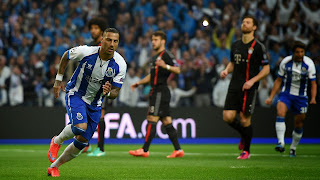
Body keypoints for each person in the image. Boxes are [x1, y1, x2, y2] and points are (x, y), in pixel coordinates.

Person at [47, 28, 127, 177]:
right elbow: (66, 56)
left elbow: (115, 93)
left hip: (95, 104)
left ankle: (54, 166)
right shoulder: (86, 51)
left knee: (81, 143)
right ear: (102, 40)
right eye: (108, 40)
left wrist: (108, 92)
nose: (111, 44)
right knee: (80, 127)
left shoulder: (120, 64)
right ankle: (57, 141)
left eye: (115, 41)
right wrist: (58, 80)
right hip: (76, 93)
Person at [220, 15, 270, 159]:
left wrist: (252, 81)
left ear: (254, 27)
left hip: (249, 87)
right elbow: (232, 63)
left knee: (244, 119)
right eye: (243, 22)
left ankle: (246, 151)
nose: (244, 24)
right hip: (234, 85)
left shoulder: (258, 47)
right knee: (227, 117)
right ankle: (243, 133)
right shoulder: (235, 45)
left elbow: (266, 69)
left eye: (248, 22)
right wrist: (225, 70)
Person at [129, 30, 184, 158]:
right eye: (152, 40)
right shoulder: (154, 57)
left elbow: (178, 69)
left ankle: (144, 150)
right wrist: (139, 83)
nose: (153, 42)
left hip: (160, 91)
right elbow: (151, 76)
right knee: (166, 121)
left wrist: (166, 66)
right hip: (157, 91)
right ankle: (178, 150)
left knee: (152, 118)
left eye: (156, 40)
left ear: (163, 41)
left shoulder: (166, 55)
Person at [265, 41, 317, 157]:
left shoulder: (309, 64)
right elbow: (279, 80)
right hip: (286, 94)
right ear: (293, 53)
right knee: (280, 112)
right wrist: (271, 97)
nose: (300, 54)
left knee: (299, 123)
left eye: (302, 52)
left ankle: (293, 148)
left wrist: (313, 97)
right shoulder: (286, 62)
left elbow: (313, 83)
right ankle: (281, 143)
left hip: (301, 97)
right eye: (297, 52)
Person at [85, 17, 109, 157]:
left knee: (100, 115)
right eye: (91, 28)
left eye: (96, 28)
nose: (93, 31)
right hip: (90, 86)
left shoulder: (105, 45)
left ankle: (100, 148)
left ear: (101, 30)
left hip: (103, 86)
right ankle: (86, 144)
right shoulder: (91, 46)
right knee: (88, 115)